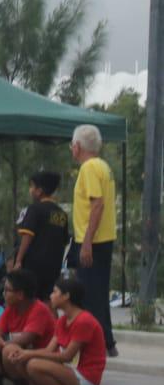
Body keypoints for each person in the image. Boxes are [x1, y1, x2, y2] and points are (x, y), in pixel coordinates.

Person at [22, 276, 106, 385]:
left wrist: (28, 353)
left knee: (33, 364)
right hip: (69, 371)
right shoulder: (62, 320)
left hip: (86, 377)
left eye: (55, 292)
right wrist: (22, 354)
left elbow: (67, 356)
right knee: (28, 365)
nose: (50, 296)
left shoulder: (83, 321)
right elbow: (49, 350)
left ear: (66, 296)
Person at [68, 125, 118, 357]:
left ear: (77, 147)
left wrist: (86, 242)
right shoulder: (104, 167)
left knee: (87, 294)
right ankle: (107, 341)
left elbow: (97, 204)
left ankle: (93, 345)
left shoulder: (88, 168)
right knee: (97, 292)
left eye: (72, 145)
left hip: (92, 240)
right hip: (104, 238)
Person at [11, 171, 70, 302]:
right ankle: (53, 323)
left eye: (32, 186)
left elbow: (27, 236)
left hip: (33, 265)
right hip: (53, 265)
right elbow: (65, 241)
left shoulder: (34, 209)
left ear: (39, 191)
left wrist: (19, 260)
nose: (30, 190)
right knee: (48, 299)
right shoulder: (62, 214)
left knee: (29, 299)